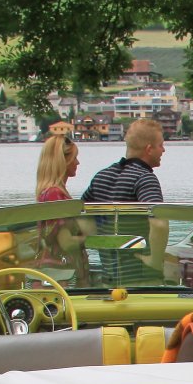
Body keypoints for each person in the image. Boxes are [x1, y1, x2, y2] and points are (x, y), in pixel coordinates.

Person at [81, 117, 168, 284]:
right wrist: (155, 260)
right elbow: (159, 224)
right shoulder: (144, 178)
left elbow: (81, 217)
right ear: (149, 149)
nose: (163, 150)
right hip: (141, 279)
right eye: (161, 145)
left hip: (109, 277)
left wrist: (103, 241)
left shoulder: (101, 176)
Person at [34, 121, 86, 276]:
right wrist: (89, 234)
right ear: (63, 160)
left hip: (58, 269)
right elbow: (65, 241)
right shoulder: (55, 194)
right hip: (62, 271)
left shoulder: (48, 193)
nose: (77, 162)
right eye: (75, 158)